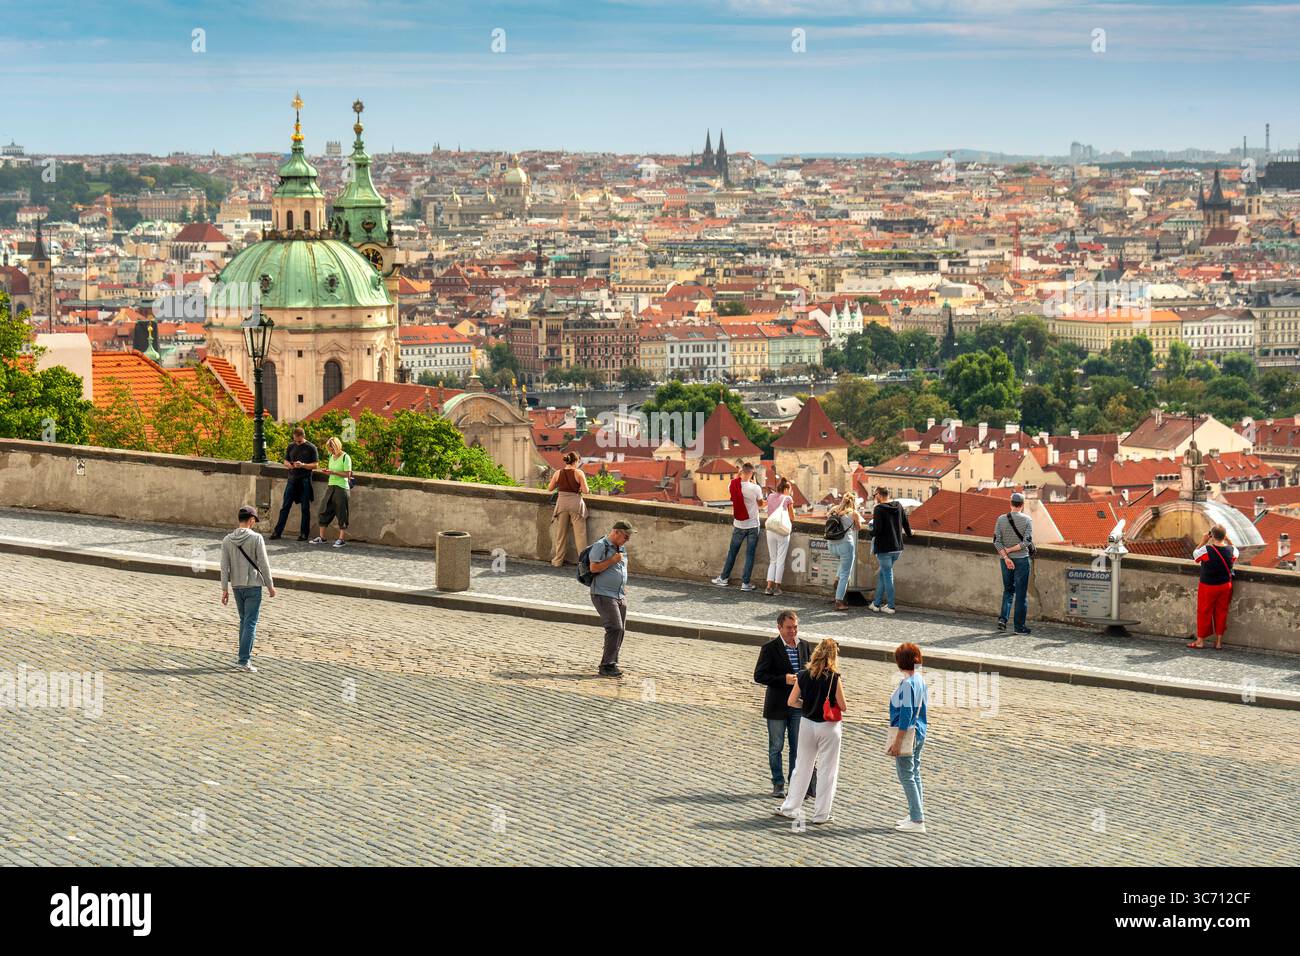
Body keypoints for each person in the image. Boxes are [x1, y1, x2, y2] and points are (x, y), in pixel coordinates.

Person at [774, 638, 846, 826]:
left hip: (807, 723)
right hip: (828, 726)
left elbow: (791, 702)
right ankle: (821, 814)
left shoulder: (804, 674)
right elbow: (843, 706)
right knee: (827, 771)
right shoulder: (834, 677)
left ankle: (790, 807)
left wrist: (807, 705)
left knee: (802, 767)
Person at [754, 610, 815, 799]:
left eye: (795, 627)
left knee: (797, 747)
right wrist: (784, 679)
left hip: (798, 705)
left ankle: (795, 784)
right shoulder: (770, 648)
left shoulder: (804, 646)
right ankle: (778, 783)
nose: (793, 631)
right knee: (776, 746)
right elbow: (759, 676)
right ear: (779, 627)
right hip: (777, 705)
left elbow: (811, 672)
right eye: (789, 627)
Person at [220, 505, 277, 673]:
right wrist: (270, 585)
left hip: (236, 586)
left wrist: (224, 589)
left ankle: (242, 658)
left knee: (244, 621)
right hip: (253, 585)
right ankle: (244, 661)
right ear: (251, 520)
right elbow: (264, 565)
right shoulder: (256, 538)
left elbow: (224, 567)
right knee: (250, 623)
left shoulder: (227, 540)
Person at [887, 642, 929, 834]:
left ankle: (917, 819)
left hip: (908, 734)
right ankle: (916, 812)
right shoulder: (919, 679)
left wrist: (897, 742)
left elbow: (905, 716)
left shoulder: (906, 684)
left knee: (906, 775)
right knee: (915, 773)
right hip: (920, 731)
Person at [589, 520, 634, 678]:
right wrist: (612, 561)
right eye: (626, 536)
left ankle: (611, 663)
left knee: (620, 631)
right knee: (615, 628)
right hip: (603, 593)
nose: (628, 539)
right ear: (616, 532)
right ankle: (606, 665)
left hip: (619, 594)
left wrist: (622, 584)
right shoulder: (601, 545)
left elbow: (620, 569)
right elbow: (593, 567)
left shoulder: (621, 547)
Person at [712, 462, 763, 591]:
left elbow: (735, 481)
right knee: (750, 555)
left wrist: (740, 474)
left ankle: (723, 578)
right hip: (753, 525)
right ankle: (745, 584)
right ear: (752, 473)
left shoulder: (732, 485)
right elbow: (761, 504)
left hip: (739, 524)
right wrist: (754, 483)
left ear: (741, 472)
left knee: (732, 553)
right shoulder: (755, 488)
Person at [1189, 524, 1238, 650]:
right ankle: (1219, 642)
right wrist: (1228, 539)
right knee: (1222, 612)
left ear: (1212, 536)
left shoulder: (1206, 550)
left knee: (1204, 611)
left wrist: (1203, 541)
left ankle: (1200, 641)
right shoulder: (1231, 550)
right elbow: (1235, 550)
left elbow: (1195, 555)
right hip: (1225, 585)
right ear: (1224, 536)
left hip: (1208, 585)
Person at [993, 491, 1034, 634]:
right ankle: (1019, 627)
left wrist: (1006, 557)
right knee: (1021, 594)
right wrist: (1011, 550)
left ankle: (1003, 620)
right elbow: (1027, 541)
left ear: (1011, 504)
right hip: (1022, 559)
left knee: (1008, 590)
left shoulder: (1001, 519)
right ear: (1022, 505)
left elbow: (996, 541)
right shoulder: (1027, 520)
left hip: (1005, 561)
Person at [868, 486, 913, 614]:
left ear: (879, 495)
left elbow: (877, 530)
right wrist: (909, 534)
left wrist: (870, 530)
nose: (874, 497)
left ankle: (891, 606)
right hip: (897, 548)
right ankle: (876, 604)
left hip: (884, 548)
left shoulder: (878, 509)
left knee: (887, 575)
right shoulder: (898, 505)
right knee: (883, 574)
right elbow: (905, 523)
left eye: (874, 494)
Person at [270, 428, 318, 541]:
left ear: (303, 437)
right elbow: (285, 461)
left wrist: (303, 465)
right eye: (295, 440)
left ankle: (304, 534)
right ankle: (277, 532)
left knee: (305, 508)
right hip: (292, 479)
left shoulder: (311, 447)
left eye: (299, 441)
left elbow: (316, 465)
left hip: (305, 480)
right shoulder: (291, 446)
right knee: (285, 506)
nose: (297, 443)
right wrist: (290, 465)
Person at [548, 452, 590, 567]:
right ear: (576, 461)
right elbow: (586, 491)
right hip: (575, 504)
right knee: (580, 535)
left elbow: (550, 488)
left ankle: (557, 561)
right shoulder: (578, 473)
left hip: (562, 504)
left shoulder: (558, 473)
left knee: (560, 534)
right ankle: (583, 563)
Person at [311, 436, 353, 549]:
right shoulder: (331, 456)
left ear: (338, 446)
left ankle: (341, 539)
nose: (331, 450)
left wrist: (333, 472)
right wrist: (328, 472)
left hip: (342, 488)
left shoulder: (345, 457)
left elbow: (348, 474)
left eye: (332, 448)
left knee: (341, 513)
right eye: (329, 449)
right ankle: (322, 537)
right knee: (323, 510)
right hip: (331, 486)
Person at [827, 493, 864, 611]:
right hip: (845, 545)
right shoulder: (853, 513)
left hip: (832, 545)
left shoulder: (833, 510)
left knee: (842, 565)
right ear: (854, 502)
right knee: (845, 573)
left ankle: (837, 581)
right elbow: (858, 528)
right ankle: (839, 602)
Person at [764, 478, 795, 596]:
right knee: (780, 560)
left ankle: (768, 587)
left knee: (773, 560)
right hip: (781, 530)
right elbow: (792, 517)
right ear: (786, 489)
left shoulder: (771, 496)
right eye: (790, 489)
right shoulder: (788, 498)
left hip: (770, 529)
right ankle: (777, 588)